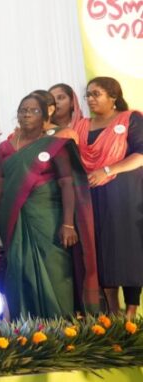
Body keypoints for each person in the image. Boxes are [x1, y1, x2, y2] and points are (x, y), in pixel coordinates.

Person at [0, 93, 98, 319]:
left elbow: (66, 183)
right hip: (13, 218)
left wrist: (68, 224)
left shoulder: (55, 145)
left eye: (34, 110)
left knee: (55, 267)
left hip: (49, 218)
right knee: (19, 267)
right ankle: (26, 325)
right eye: (23, 110)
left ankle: (62, 323)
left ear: (46, 117)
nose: (27, 114)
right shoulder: (5, 148)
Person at [74, 76, 143, 318]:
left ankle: (131, 312)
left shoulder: (130, 118)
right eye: (88, 94)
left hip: (125, 194)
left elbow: (141, 154)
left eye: (97, 94)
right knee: (101, 250)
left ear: (113, 96)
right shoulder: (81, 126)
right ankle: (113, 312)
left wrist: (108, 170)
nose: (90, 99)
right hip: (92, 195)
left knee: (128, 248)